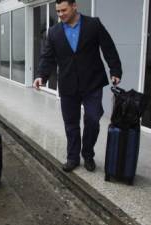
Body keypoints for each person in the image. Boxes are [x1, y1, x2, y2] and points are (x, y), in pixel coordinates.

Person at [33, 0, 122, 172]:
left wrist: (115, 70)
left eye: (63, 10)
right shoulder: (54, 32)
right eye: (57, 11)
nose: (60, 14)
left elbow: (108, 47)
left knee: (93, 119)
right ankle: (73, 157)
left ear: (74, 6)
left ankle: (87, 153)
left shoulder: (93, 24)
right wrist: (40, 76)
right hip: (68, 84)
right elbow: (47, 57)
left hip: (92, 83)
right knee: (71, 124)